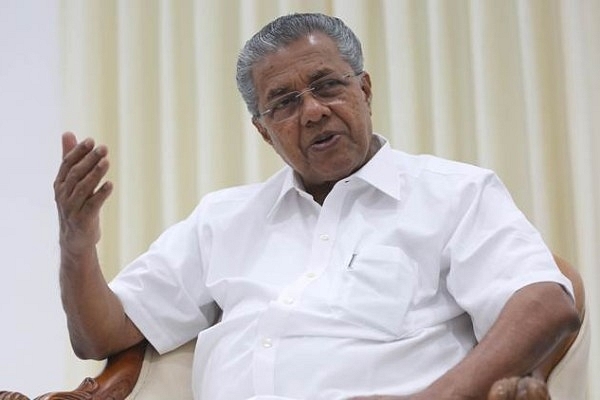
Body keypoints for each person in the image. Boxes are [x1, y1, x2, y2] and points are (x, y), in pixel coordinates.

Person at [54, 12, 580, 400]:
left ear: (365, 90)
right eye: (283, 102)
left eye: (327, 85)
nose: (312, 112)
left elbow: (546, 303)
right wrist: (78, 244)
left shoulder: (455, 193)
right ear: (263, 132)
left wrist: (440, 397)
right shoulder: (224, 219)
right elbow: (101, 334)